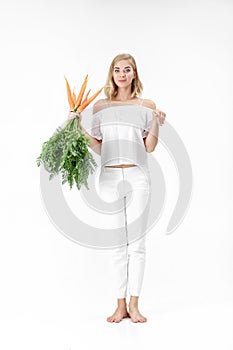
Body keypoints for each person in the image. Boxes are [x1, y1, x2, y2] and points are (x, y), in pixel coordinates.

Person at [68, 53, 166, 323]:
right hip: (109, 178)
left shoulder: (147, 105)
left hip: (138, 176)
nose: (122, 74)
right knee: (116, 245)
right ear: (112, 74)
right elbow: (99, 146)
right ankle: (119, 304)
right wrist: (77, 126)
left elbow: (149, 147)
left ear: (135, 74)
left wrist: (157, 120)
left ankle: (134, 304)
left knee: (137, 244)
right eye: (117, 70)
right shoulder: (101, 107)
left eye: (128, 69)